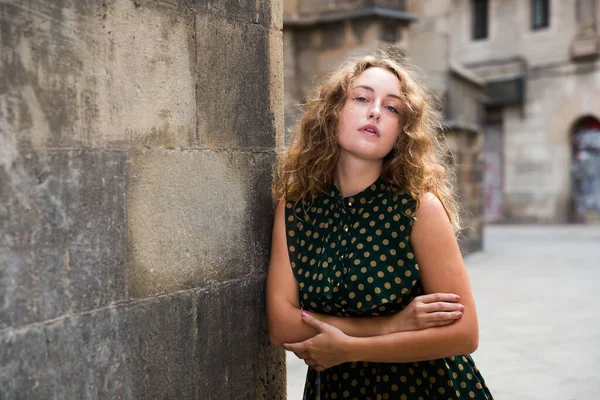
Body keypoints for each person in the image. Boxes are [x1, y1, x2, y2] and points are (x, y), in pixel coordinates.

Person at [266, 51, 493, 400]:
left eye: (392, 108)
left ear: (401, 133)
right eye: (362, 98)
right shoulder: (295, 208)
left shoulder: (419, 207)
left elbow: (465, 334)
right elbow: (282, 325)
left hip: (426, 389)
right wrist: (393, 325)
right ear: (333, 112)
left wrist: (350, 348)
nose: (375, 111)